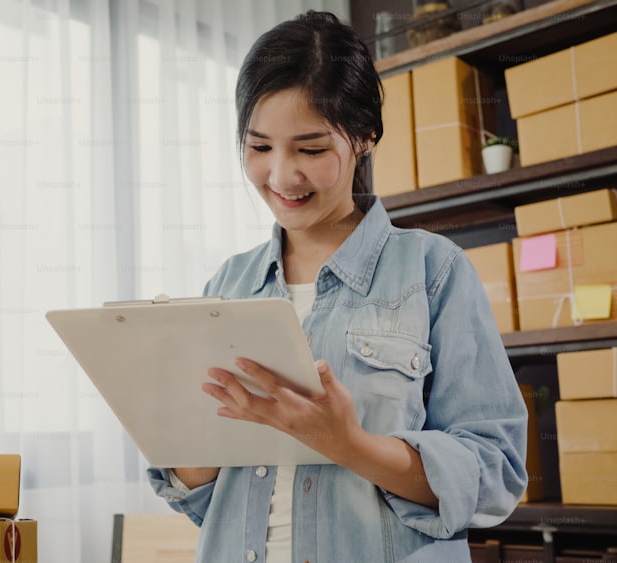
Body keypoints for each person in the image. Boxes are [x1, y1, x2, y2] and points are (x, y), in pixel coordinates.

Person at [146, 10, 528, 563]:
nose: (281, 176)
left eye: (311, 149)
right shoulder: (228, 284)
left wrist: (351, 445)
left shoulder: (432, 270)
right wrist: (190, 433)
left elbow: (495, 474)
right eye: (258, 148)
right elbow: (197, 495)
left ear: (364, 137)